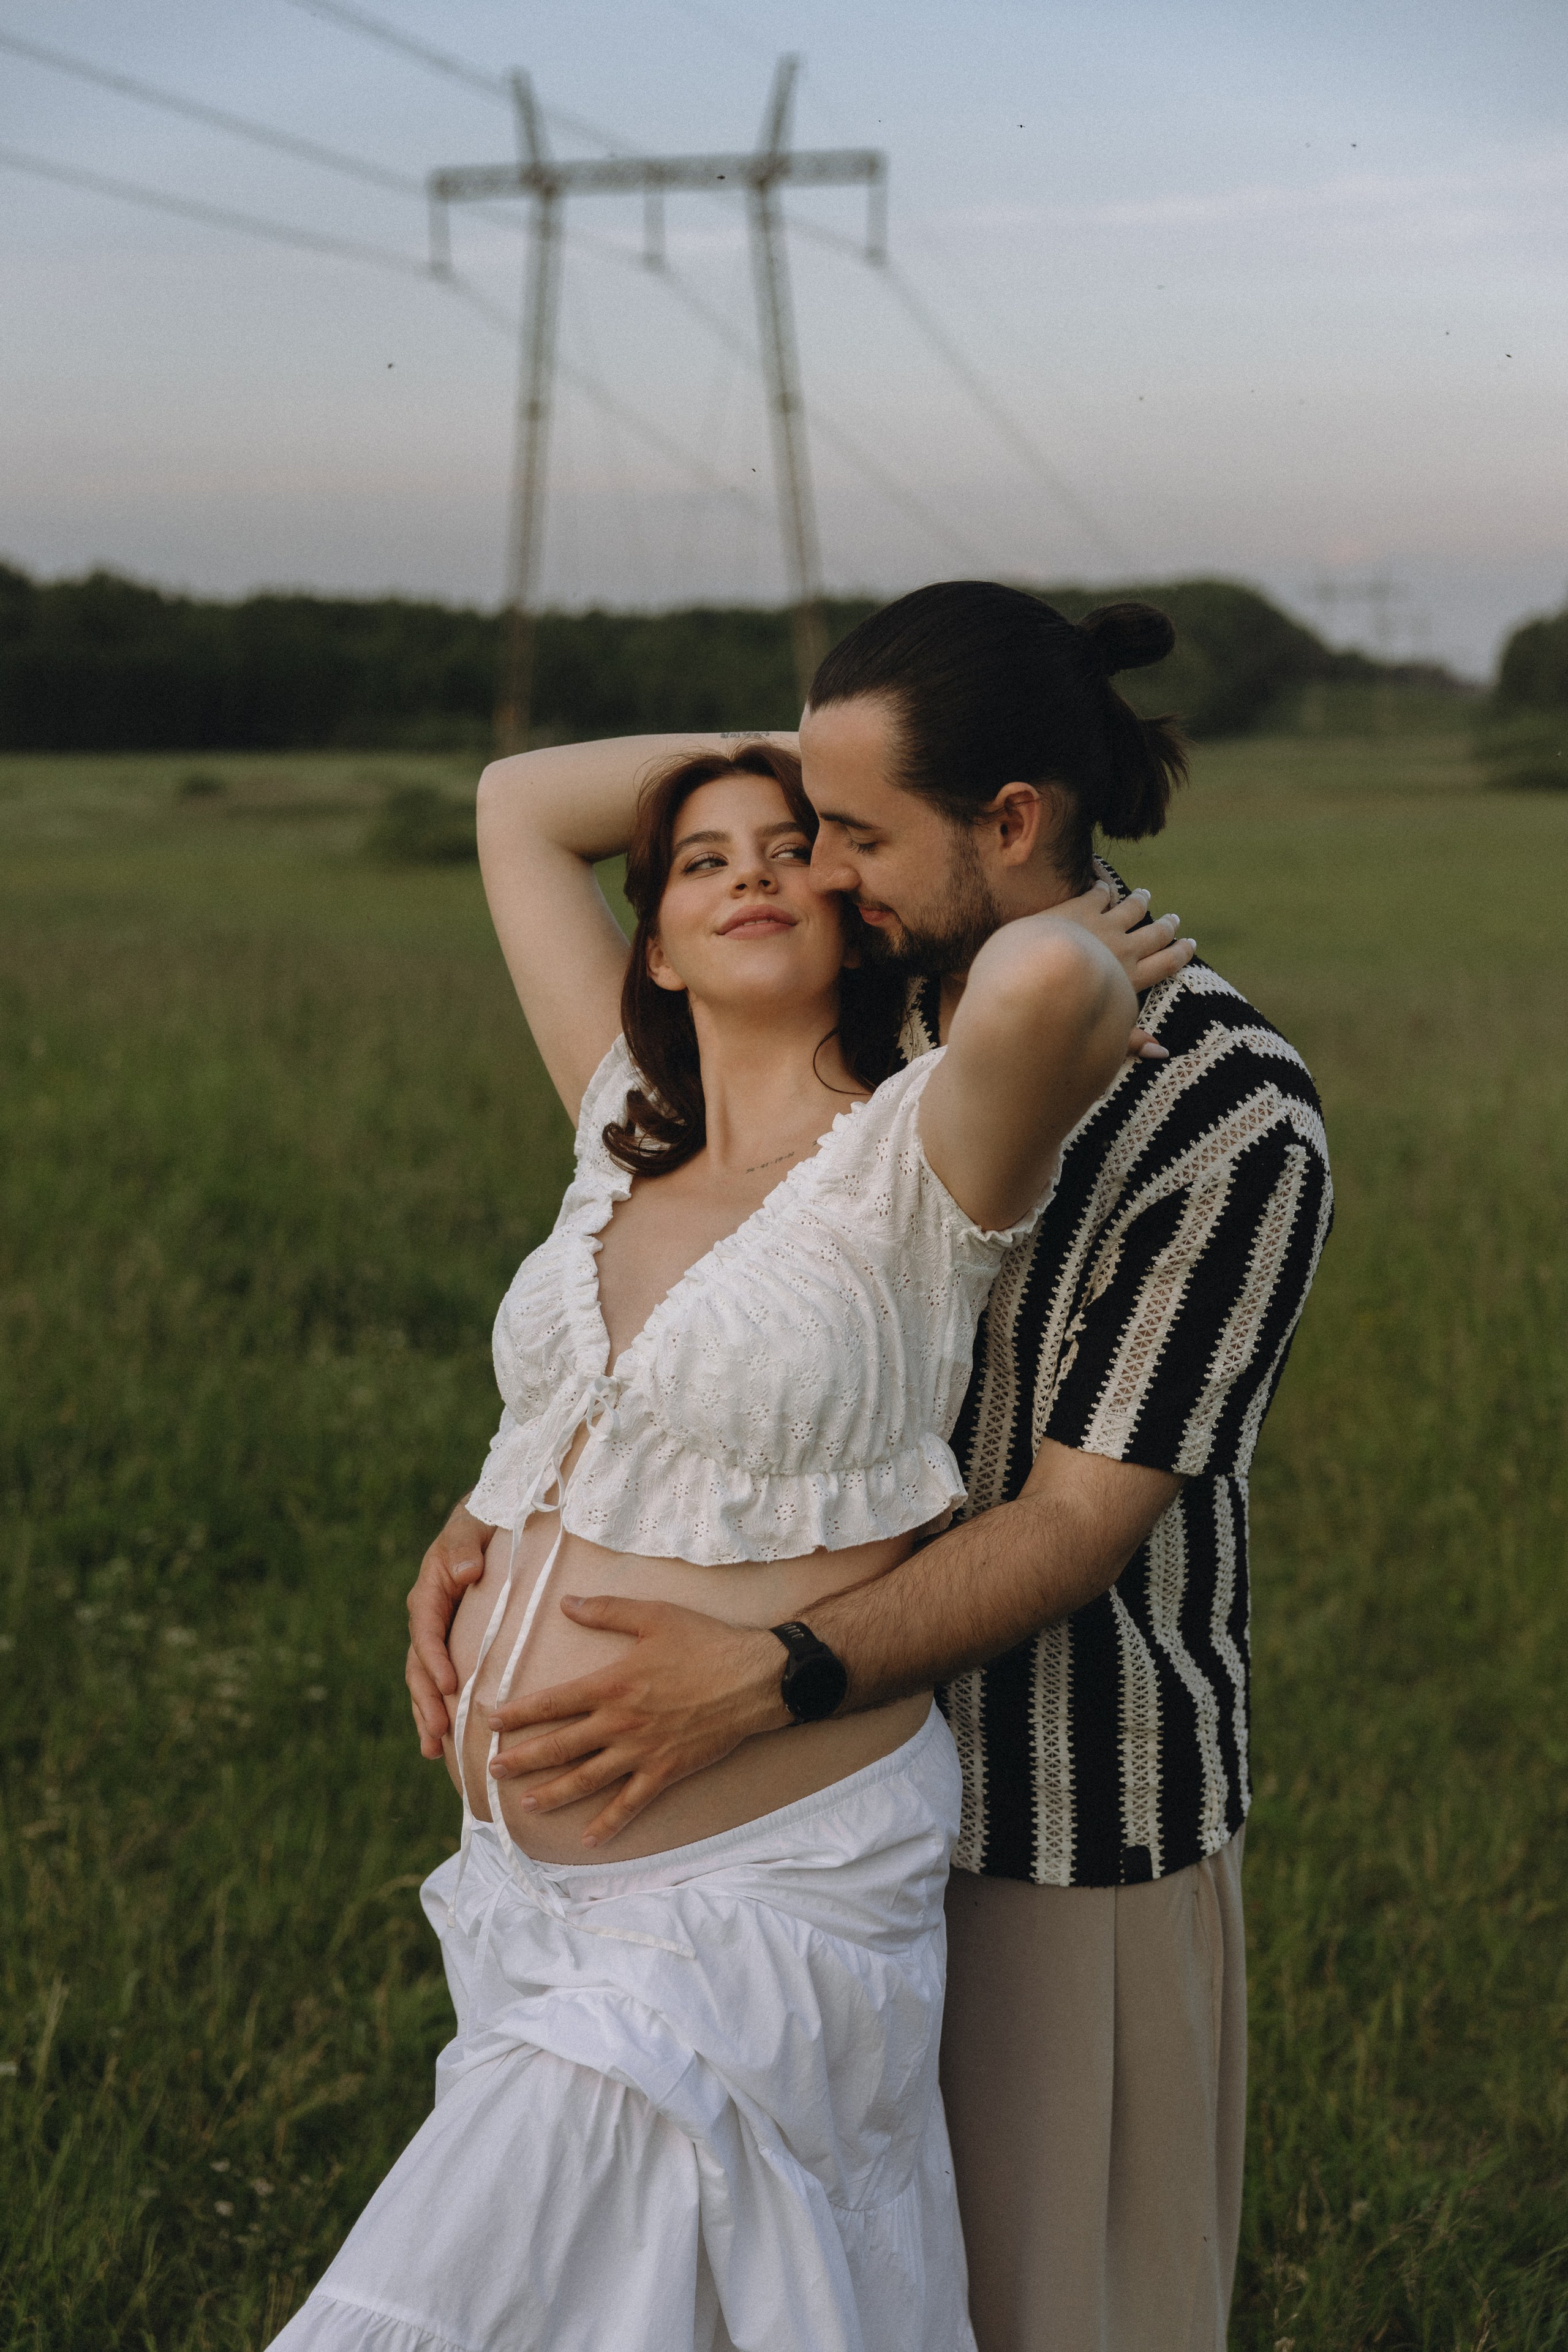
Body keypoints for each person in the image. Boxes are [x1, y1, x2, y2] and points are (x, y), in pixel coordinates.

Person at [408, 584, 1333, 2352]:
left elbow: (1076, 1519)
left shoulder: (1229, 1116)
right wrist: (503, 1506)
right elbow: (673, 1342)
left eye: (848, 835)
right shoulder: (860, 1003)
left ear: (1011, 819)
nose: (811, 876)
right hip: (758, 1823)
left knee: (1061, 2308)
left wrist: (760, 1685)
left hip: (1058, 1801)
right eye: (781, 846)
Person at [277, 707, 1191, 2352]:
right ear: (659, 942)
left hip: (759, 1892)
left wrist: (864, 784)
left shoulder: (917, 1156)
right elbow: (512, 801)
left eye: (796, 849)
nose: (753, 874)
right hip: (524, 1895)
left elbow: (1055, 989)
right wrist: (487, 1513)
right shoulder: (619, 1115)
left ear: (856, 909)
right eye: (702, 862)